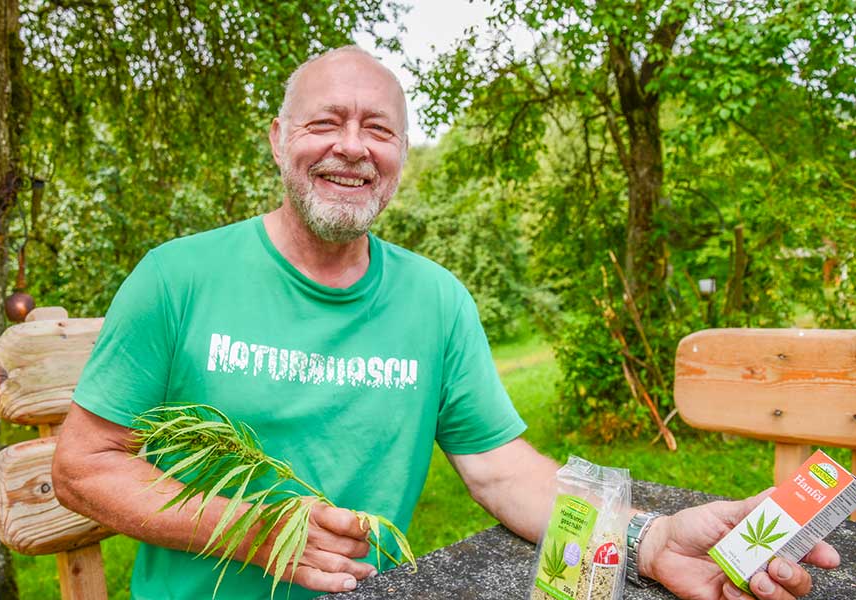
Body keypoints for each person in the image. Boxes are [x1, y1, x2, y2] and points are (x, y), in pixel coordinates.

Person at [52, 46, 839, 600]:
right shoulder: (178, 278)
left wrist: (650, 540)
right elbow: (81, 467)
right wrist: (255, 530)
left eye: (380, 130)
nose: (352, 148)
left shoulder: (435, 300)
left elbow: (504, 471)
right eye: (326, 122)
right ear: (280, 140)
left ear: (400, 153)